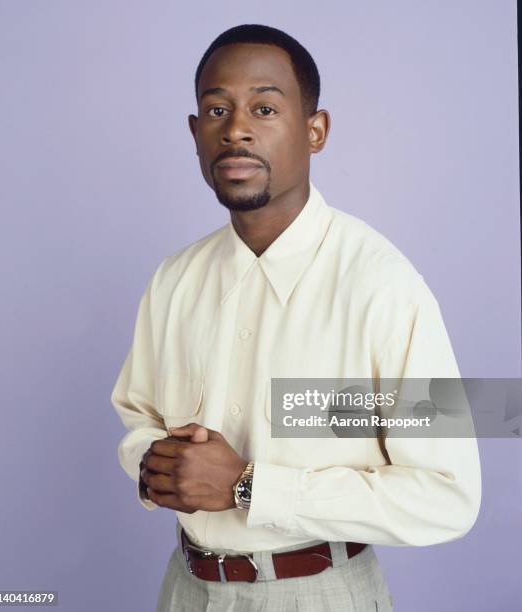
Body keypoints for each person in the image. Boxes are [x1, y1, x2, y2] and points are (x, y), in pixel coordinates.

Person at [111, 24, 481, 612]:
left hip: (320, 594)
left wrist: (248, 486)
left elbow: (446, 497)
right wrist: (155, 463)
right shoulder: (173, 280)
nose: (235, 129)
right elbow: (138, 418)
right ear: (195, 133)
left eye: (264, 107)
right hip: (185, 589)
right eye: (215, 109)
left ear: (315, 131)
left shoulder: (384, 288)